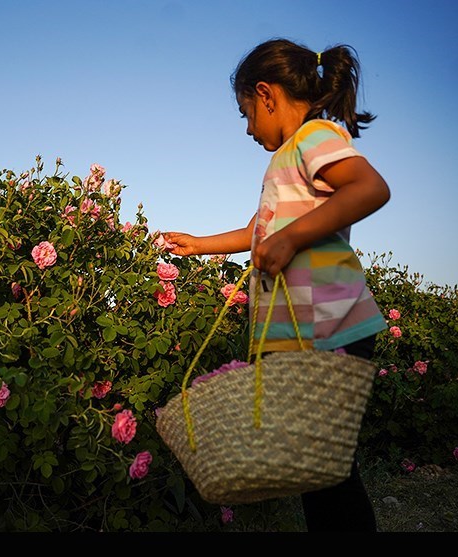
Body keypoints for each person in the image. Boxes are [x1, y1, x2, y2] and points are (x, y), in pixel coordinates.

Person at [164, 38, 390, 532]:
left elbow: (370, 188)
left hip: (328, 324)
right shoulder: (286, 157)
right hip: (302, 330)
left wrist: (292, 239)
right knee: (313, 467)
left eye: (246, 113)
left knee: (327, 473)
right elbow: (257, 231)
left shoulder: (314, 137)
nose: (248, 128)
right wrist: (198, 245)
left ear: (266, 94)